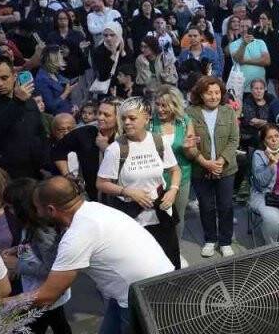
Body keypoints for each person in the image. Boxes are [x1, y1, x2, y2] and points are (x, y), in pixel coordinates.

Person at [19, 176, 174, 334]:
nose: (37, 214)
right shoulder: (93, 209)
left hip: (144, 296)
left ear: (51, 209)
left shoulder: (77, 235)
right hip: (141, 287)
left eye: (37, 209)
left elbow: (47, 296)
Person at [96, 96, 182, 269]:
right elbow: (101, 183)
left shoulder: (159, 141)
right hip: (131, 218)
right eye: (124, 118)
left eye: (132, 118)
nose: (127, 123)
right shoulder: (116, 149)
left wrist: (172, 190)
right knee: (140, 265)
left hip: (161, 214)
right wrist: (127, 192)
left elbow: (175, 170)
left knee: (170, 261)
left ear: (146, 117)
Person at [3, 178, 74, 334]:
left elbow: (51, 268)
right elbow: (32, 248)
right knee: (59, 328)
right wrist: (17, 250)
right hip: (44, 294)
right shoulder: (32, 227)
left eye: (9, 207)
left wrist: (19, 266)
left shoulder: (42, 232)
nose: (7, 211)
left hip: (44, 295)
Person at [183, 77, 239, 258]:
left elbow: (233, 140)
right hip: (201, 169)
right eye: (209, 93)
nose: (214, 96)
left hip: (226, 168)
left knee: (226, 206)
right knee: (206, 206)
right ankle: (210, 239)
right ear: (200, 94)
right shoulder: (190, 113)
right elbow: (188, 142)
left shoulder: (228, 112)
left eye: (217, 92)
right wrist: (205, 163)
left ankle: (225, 241)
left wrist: (221, 161)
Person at [151, 86, 195, 240]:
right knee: (156, 217)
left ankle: (177, 251)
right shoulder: (150, 122)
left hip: (181, 176)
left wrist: (188, 148)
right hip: (155, 179)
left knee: (178, 217)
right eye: (157, 104)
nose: (160, 109)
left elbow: (191, 155)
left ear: (175, 105)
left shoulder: (184, 122)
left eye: (165, 105)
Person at [53, 99, 119, 200]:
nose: (100, 118)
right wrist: (67, 174)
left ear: (118, 117)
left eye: (107, 115)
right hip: (91, 195)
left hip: (118, 194)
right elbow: (58, 150)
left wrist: (106, 148)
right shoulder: (85, 132)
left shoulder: (125, 138)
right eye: (99, 113)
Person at [228, 17, 271, 93]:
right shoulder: (233, 44)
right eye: (242, 26)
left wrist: (245, 61)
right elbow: (238, 59)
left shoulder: (260, 42)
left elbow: (267, 61)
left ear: (252, 28)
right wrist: (243, 44)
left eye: (247, 26)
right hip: (241, 89)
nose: (244, 29)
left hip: (260, 88)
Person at [35, 46, 75, 115]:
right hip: (58, 119)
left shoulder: (54, 72)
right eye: (60, 56)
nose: (62, 58)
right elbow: (50, 106)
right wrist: (66, 92)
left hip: (69, 112)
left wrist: (72, 106)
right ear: (53, 59)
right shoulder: (41, 79)